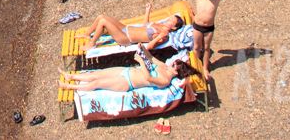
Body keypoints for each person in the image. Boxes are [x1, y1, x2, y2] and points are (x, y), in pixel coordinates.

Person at [59, 46, 200, 92]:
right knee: (97, 74)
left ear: (176, 71)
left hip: (127, 83)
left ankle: (67, 86)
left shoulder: (165, 80)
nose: (172, 63)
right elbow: (151, 58)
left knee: (97, 84)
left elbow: (148, 78)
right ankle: (70, 77)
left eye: (175, 64)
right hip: (126, 71)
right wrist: (143, 49)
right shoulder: (164, 66)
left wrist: (140, 61)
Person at [176, 0, 231, 80]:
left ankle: (205, 68)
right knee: (196, 47)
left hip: (209, 28)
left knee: (206, 48)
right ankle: (196, 66)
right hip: (197, 26)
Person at [81, 3, 185, 52]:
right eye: (170, 18)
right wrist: (147, 11)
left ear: (174, 28)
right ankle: (87, 34)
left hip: (126, 38)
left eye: (171, 21)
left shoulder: (164, 36)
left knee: (103, 22)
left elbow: (149, 47)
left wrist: (158, 37)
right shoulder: (161, 24)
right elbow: (144, 25)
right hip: (126, 28)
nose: (168, 20)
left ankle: (92, 44)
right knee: (101, 16)